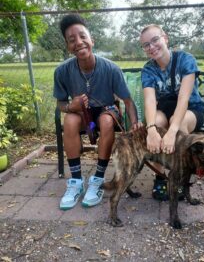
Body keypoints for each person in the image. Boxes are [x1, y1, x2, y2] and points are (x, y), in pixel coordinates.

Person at [53, 14, 141, 210]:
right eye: (71, 39)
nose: (78, 42)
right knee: (69, 120)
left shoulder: (111, 68)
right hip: (80, 111)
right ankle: (75, 181)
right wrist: (70, 106)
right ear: (68, 46)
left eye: (83, 36)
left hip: (106, 110)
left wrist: (134, 124)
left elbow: (127, 101)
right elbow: (60, 103)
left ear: (92, 40)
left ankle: (97, 180)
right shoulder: (62, 72)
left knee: (107, 121)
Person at [140, 24, 204, 201]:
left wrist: (172, 131)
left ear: (165, 38)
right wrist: (151, 129)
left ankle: (181, 177)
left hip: (192, 109)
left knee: (179, 123)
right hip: (165, 107)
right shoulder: (148, 69)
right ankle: (160, 178)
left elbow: (184, 99)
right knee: (159, 123)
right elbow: (150, 100)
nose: (151, 47)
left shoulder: (185, 59)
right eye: (146, 45)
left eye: (155, 40)